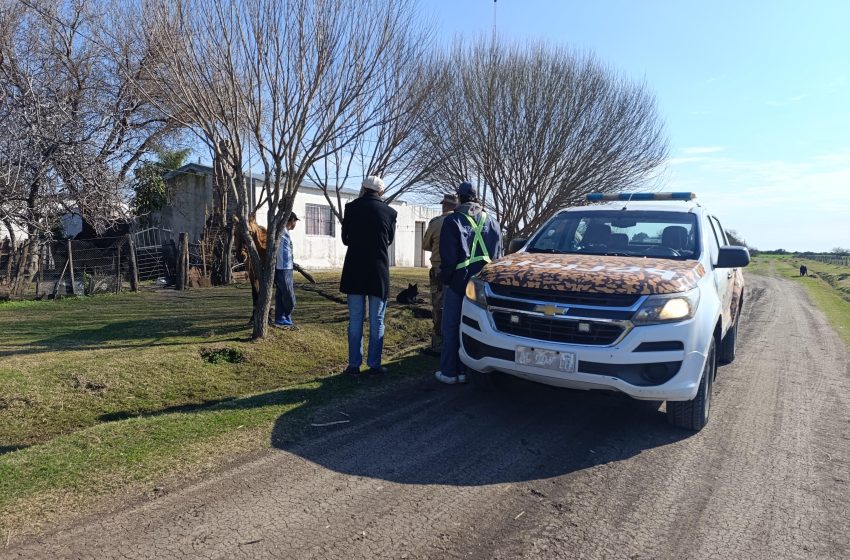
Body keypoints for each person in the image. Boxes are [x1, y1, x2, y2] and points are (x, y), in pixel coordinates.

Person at [436, 182, 501, 384]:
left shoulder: (452, 220)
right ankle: (467, 371)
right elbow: (498, 254)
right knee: (476, 327)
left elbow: (447, 256)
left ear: (460, 197)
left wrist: (447, 279)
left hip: (459, 281)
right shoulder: (493, 222)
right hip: (483, 284)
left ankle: (449, 372)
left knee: (451, 326)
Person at [340, 176, 398, 376]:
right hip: (378, 271)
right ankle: (374, 365)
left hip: (354, 269)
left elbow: (345, 239)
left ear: (364, 188)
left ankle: (353, 366)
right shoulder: (390, 212)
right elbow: (389, 239)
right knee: (377, 320)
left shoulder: (351, 208)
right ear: (381, 192)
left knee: (355, 319)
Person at [421, 193, 459, 355]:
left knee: (438, 307)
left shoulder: (436, 223)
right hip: (459, 271)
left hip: (439, 269)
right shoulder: (463, 222)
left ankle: (438, 345)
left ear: (444, 205)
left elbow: (425, 245)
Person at [274, 212, 299, 327]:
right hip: (282, 267)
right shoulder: (281, 231)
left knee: (281, 294)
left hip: (288, 267)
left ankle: (282, 318)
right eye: (295, 221)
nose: (295, 224)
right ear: (291, 220)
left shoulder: (287, 232)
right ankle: (285, 315)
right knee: (288, 294)